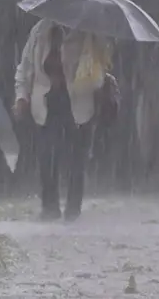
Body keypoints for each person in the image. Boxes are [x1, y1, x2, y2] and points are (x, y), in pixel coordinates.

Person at [13, 19, 119, 221]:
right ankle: (50, 207)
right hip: (47, 103)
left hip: (79, 104)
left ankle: (73, 210)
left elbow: (101, 67)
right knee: (46, 156)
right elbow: (25, 67)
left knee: (76, 160)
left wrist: (100, 42)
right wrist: (21, 96)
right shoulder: (40, 31)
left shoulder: (89, 34)